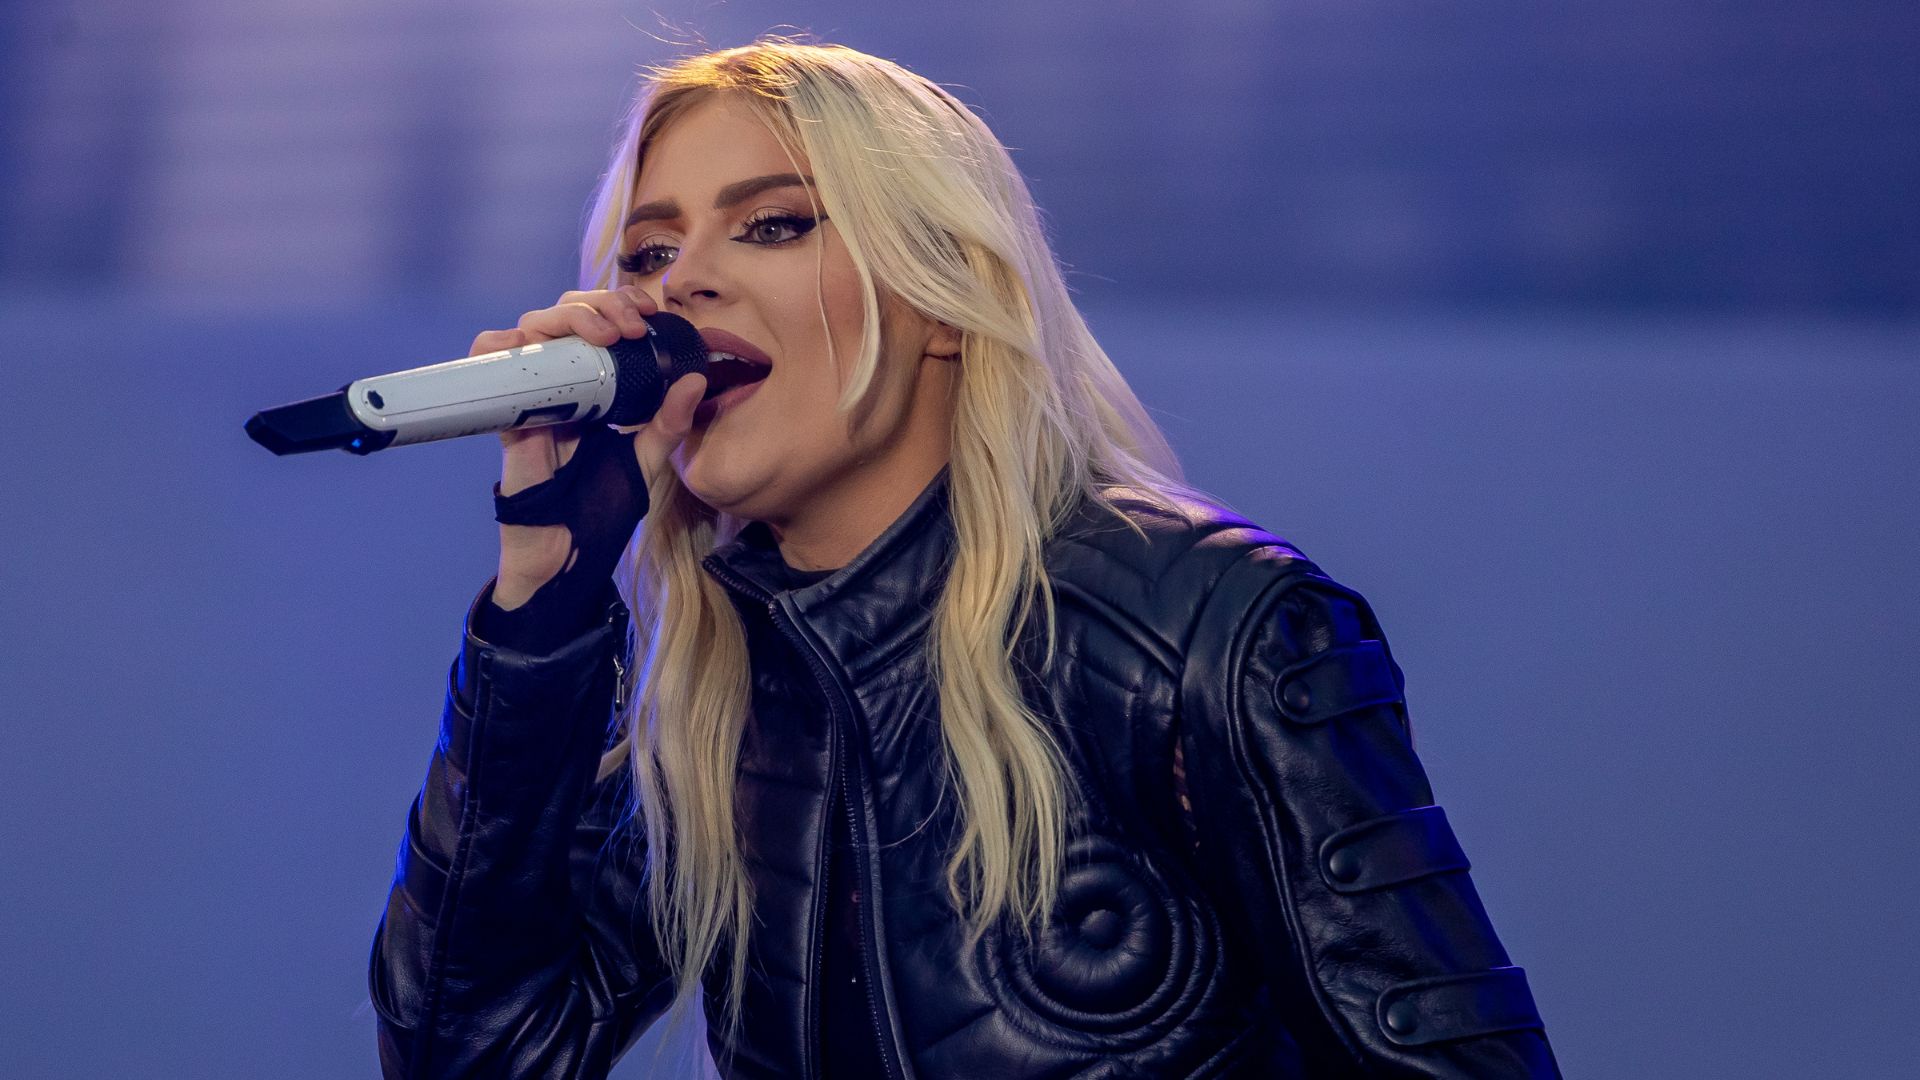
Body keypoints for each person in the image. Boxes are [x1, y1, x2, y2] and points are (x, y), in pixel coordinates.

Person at [366, 39, 1562, 1079]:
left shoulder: (1209, 626)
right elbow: (469, 1059)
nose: (683, 284)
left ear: (942, 295)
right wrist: (542, 607)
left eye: (774, 224)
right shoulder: (715, 700)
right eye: (646, 254)